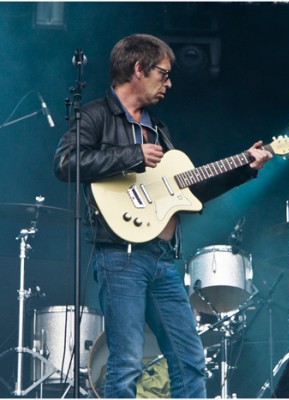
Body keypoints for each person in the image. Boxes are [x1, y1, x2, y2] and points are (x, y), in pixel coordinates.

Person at [53, 33, 272, 398]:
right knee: (125, 363)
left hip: (163, 260)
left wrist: (244, 168)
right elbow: (65, 164)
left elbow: (191, 190)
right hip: (120, 257)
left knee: (189, 360)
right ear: (138, 69)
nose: (168, 83)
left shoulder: (160, 129)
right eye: (163, 73)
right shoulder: (93, 115)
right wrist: (132, 156)